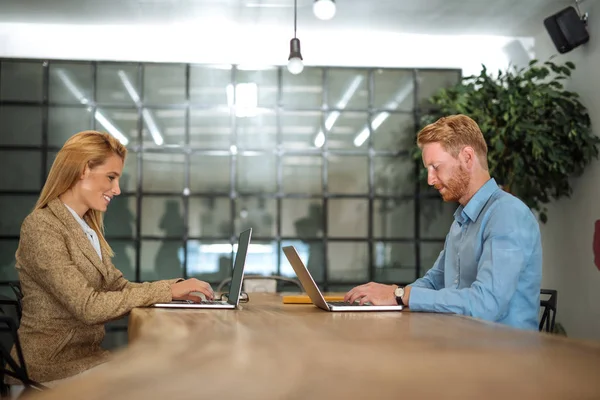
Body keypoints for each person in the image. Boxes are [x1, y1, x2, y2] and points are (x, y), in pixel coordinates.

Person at [10, 130, 214, 386]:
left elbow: (119, 288)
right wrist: (166, 291)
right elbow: (89, 307)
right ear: (83, 169)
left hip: (87, 360)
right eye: (111, 177)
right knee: (166, 379)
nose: (117, 190)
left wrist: (175, 289)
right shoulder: (42, 226)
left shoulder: (85, 228)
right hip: (50, 369)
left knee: (173, 371)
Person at [344, 114, 542, 330]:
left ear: (467, 157)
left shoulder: (507, 214)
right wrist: (390, 298)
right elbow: (434, 282)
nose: (430, 179)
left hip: (504, 356)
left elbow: (487, 304)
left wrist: (401, 295)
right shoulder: (462, 220)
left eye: (436, 167)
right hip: (463, 344)